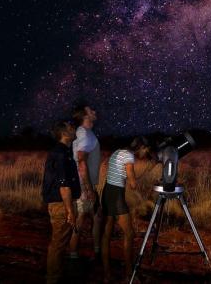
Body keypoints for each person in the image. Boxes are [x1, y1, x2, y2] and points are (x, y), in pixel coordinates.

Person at [101, 136, 152, 282]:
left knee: (106, 235)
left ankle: (107, 275)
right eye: (145, 150)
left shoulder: (118, 152)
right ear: (141, 147)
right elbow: (133, 184)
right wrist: (146, 171)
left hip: (107, 193)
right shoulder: (129, 156)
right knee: (129, 234)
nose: (145, 154)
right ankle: (129, 274)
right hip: (116, 195)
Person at [42, 119, 81, 284]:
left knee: (59, 243)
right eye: (71, 127)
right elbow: (63, 185)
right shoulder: (60, 153)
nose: (74, 129)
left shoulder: (63, 151)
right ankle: (53, 278)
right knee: (58, 244)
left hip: (61, 203)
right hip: (61, 204)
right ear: (64, 133)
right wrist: (70, 211)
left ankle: (55, 275)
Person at [68, 103, 102, 259]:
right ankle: (73, 257)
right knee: (80, 220)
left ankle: (96, 250)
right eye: (90, 110)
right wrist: (88, 189)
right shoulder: (85, 134)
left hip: (85, 183)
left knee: (96, 215)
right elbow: (81, 161)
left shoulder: (85, 133)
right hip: (83, 184)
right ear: (84, 116)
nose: (94, 111)